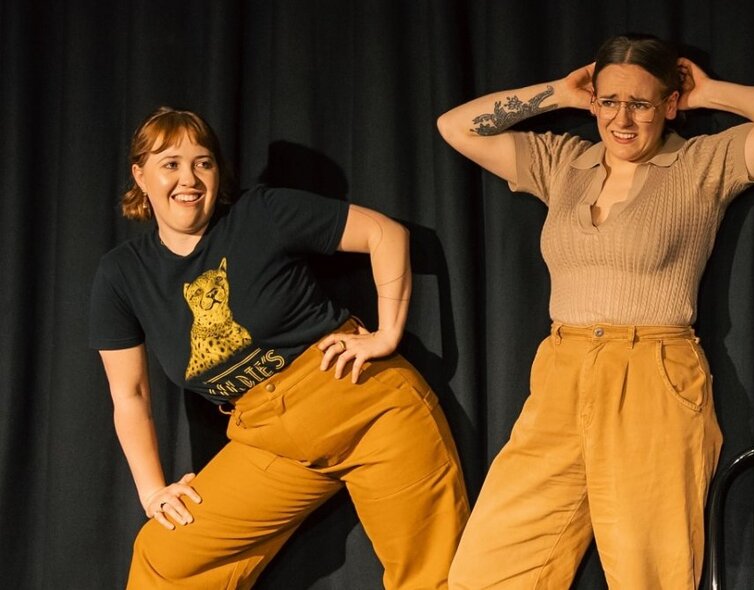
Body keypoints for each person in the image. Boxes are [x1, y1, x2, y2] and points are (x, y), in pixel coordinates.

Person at [437, 34, 754, 589]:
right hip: (562, 371)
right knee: (486, 570)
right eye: (609, 101)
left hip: (652, 375)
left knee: (649, 574)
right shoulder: (564, 162)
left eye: (640, 103)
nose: (622, 119)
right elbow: (456, 126)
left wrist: (707, 92)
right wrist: (558, 95)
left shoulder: (700, 163)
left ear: (668, 105)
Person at [89, 106, 469, 589]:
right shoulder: (122, 273)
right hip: (267, 435)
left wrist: (387, 334)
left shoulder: (259, 213)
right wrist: (151, 492)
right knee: (167, 555)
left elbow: (385, 233)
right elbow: (130, 396)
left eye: (203, 162)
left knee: (429, 575)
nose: (190, 178)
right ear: (140, 175)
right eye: (171, 163)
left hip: (365, 404)